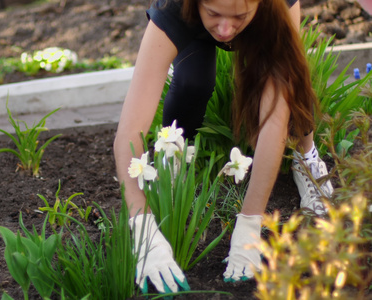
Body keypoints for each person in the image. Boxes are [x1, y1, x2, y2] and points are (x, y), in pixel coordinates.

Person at [113, 0, 334, 294]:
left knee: (292, 83)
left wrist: (251, 222)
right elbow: (129, 131)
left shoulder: (274, 7)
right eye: (214, 13)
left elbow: (273, 122)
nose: (226, 29)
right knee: (193, 82)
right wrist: (141, 226)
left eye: (237, 17)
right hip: (190, 19)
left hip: (265, 18)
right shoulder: (174, 8)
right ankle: (176, 155)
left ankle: (306, 156)